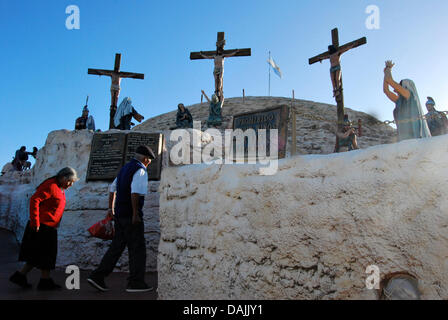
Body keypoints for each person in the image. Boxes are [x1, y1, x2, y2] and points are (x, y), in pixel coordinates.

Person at [87, 145, 155, 293]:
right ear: (145, 159)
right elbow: (135, 193)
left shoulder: (125, 169)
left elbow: (113, 188)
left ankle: (98, 276)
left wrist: (110, 209)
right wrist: (135, 214)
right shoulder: (140, 170)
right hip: (131, 216)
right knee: (137, 248)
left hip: (119, 215)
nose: (149, 163)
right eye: (149, 160)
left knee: (116, 247)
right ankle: (136, 282)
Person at [9, 167, 78, 290]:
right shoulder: (50, 185)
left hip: (50, 226)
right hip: (42, 226)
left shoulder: (59, 188)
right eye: (70, 181)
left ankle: (29, 278)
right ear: (63, 178)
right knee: (43, 255)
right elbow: (34, 200)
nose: (71, 184)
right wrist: (35, 222)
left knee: (42, 255)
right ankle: (41, 281)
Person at [383, 60, 431, 141]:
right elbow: (386, 90)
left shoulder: (409, 95)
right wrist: (385, 73)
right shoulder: (399, 101)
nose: (396, 88)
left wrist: (388, 69)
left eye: (399, 85)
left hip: (414, 137)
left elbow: (389, 80)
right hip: (403, 137)